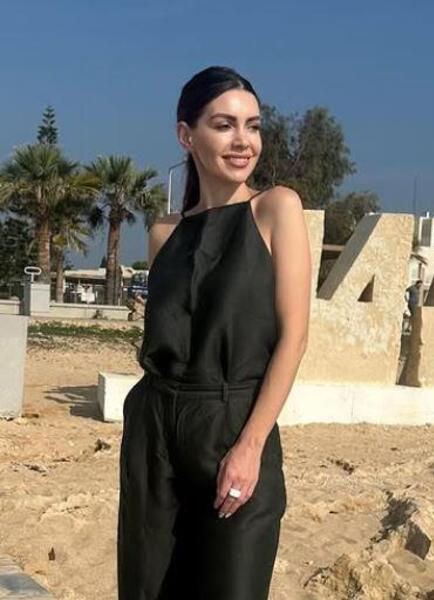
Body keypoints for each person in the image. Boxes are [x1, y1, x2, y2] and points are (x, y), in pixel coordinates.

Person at [117, 66, 312, 599]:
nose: (243, 141)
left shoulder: (276, 209)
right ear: (187, 135)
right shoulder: (164, 232)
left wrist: (250, 446)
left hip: (234, 422)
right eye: (224, 125)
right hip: (156, 430)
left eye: (253, 125)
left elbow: (294, 338)